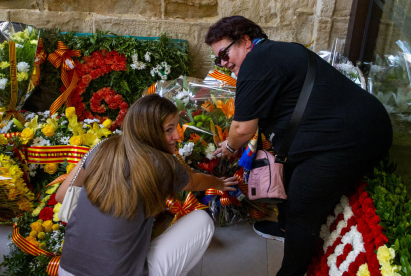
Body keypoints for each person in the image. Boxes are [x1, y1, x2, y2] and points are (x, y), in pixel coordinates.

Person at [207, 16, 392, 275]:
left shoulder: (257, 60)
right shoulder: (273, 53)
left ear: (246, 40)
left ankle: (291, 270)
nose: (224, 64)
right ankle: (285, 230)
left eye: (225, 54)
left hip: (347, 139)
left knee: (302, 209)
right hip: (340, 133)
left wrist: (229, 147)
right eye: (219, 60)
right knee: (290, 184)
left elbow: (242, 127)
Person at [56, 94, 238, 276]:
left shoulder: (101, 147)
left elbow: (61, 196)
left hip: (66, 269)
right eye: (169, 130)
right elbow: (196, 182)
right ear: (148, 131)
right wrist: (219, 183)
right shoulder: (162, 163)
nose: (177, 135)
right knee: (202, 221)